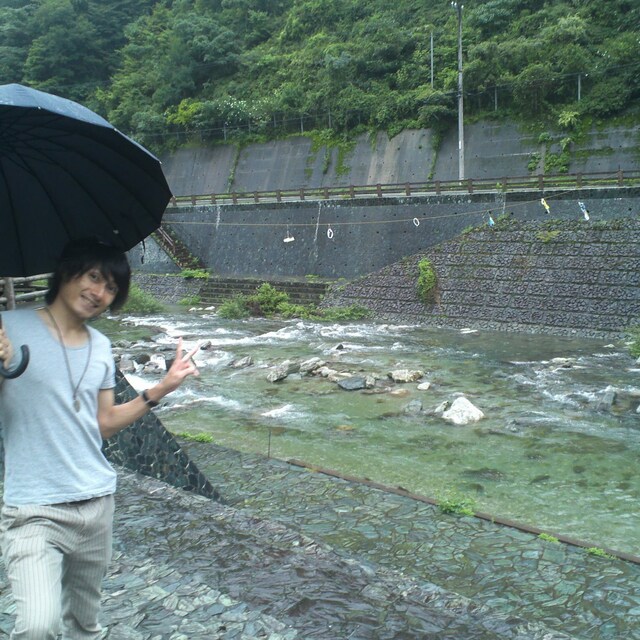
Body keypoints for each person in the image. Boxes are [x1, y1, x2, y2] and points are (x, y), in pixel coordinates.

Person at [0, 238, 199, 639]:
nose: (99, 293)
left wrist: (162, 388)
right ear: (66, 272)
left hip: (96, 504)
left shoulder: (102, 346)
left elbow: (104, 423)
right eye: (93, 277)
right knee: (38, 625)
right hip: (34, 509)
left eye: (111, 287)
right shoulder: (10, 327)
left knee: (84, 624)